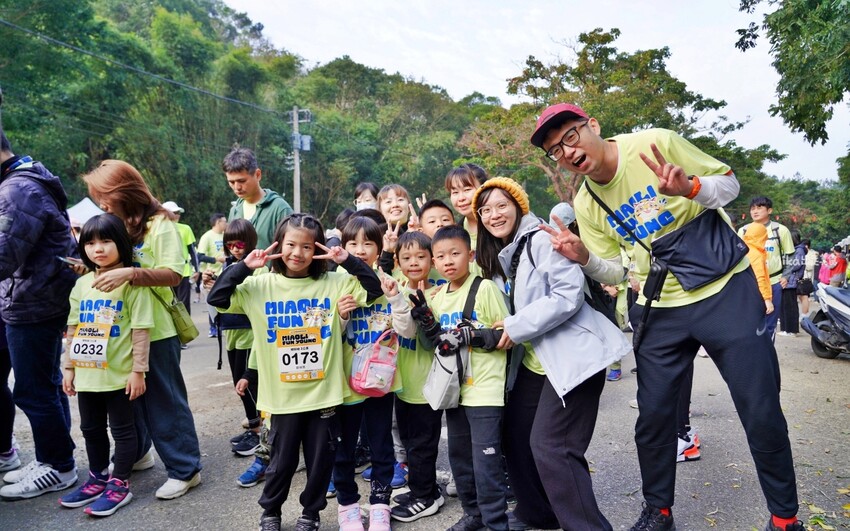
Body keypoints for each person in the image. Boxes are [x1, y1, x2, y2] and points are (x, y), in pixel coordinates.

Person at [531, 102, 802, 531]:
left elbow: (729, 186)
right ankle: (658, 512)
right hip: (659, 307)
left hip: (725, 291)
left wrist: (691, 188)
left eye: (570, 136)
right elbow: (616, 271)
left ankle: (785, 517)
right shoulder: (587, 201)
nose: (567, 151)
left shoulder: (654, 143)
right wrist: (584, 258)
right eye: (555, 150)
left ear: (593, 125)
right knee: (653, 419)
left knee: (760, 408)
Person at [207, 213, 382, 531]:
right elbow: (217, 298)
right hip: (281, 399)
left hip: (323, 396)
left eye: (307, 247)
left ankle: (311, 514)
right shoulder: (259, 286)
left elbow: (374, 289)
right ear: (278, 245)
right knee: (281, 462)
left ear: (317, 250)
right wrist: (245, 266)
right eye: (290, 245)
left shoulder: (335, 283)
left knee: (320, 462)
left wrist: (347, 261)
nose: (297, 253)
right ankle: (270, 512)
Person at [473, 177, 629, 530]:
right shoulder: (506, 253)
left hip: (575, 357)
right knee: (515, 434)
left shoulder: (542, 239)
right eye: (485, 210)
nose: (494, 214)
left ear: (519, 206)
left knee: (553, 447)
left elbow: (567, 294)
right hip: (538, 361)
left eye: (501, 205)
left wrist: (514, 326)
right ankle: (538, 513)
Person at [82, 160, 202, 500]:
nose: (101, 203)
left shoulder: (160, 225)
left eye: (104, 196)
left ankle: (185, 469)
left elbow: (174, 275)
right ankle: (137, 453)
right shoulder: (117, 224)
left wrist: (130, 273)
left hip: (158, 329)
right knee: (128, 399)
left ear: (123, 191)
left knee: (165, 401)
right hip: (120, 330)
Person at [0, 85, 79, 500]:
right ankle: (55, 458)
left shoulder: (17, 190)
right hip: (40, 296)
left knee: (33, 390)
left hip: (32, 302)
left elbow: (3, 255)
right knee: (45, 386)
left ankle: (58, 466)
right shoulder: (26, 180)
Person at [416, 224, 511, 531]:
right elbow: (435, 343)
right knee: (460, 459)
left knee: (486, 462)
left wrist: (473, 335)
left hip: (485, 389)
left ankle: (496, 522)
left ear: (470, 255)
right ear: (433, 261)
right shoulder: (437, 296)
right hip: (454, 390)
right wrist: (427, 322)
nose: (448, 261)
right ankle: (474, 514)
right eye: (441, 256)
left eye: (455, 253)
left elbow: (505, 335)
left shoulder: (485, 288)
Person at [58, 214, 152, 516]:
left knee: (123, 431)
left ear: (121, 243)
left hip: (120, 376)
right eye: (90, 243)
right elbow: (73, 328)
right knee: (90, 429)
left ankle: (119, 483)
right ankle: (97, 477)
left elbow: (141, 330)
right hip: (87, 374)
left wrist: (138, 371)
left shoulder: (132, 284)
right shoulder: (81, 285)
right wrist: (69, 368)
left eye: (106, 241)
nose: (97, 248)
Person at [333, 216, 400, 531]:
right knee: (343, 446)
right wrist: (341, 317)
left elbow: (399, 318)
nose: (360, 250)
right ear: (342, 246)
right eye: (353, 243)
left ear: (378, 248)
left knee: (381, 444)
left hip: (381, 380)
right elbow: (326, 334)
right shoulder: (335, 282)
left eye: (368, 243)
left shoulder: (387, 280)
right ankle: (347, 505)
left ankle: (380, 505)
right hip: (346, 382)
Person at [382, 231, 446, 523]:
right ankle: (426, 488)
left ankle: (425, 498)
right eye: (406, 257)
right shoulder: (394, 288)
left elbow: (415, 333)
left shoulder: (440, 293)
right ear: (398, 262)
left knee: (422, 444)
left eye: (421, 256)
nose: (414, 262)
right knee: (409, 441)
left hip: (427, 385)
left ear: (432, 260)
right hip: (403, 383)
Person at [739, 197, 794, 341]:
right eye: (752, 208)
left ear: (769, 210)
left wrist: (786, 276)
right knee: (748, 322)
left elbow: (790, 255)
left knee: (770, 322)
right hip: (750, 283)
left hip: (774, 281)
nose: (755, 211)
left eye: (759, 208)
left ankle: (768, 351)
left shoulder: (780, 230)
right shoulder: (743, 230)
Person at [223, 147, 294, 250]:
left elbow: (292, 249)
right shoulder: (235, 210)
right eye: (232, 182)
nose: (237, 187)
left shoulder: (280, 209)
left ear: (258, 175)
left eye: (242, 181)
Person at [162, 201, 197, 321]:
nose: (177, 215)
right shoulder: (157, 230)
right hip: (164, 271)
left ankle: (186, 326)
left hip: (183, 271)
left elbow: (192, 251)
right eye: (174, 212)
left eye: (178, 213)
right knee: (168, 301)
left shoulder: (185, 229)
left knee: (184, 303)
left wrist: (197, 270)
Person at [197, 213, 227, 337]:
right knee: (212, 301)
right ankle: (213, 327)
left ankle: (223, 325)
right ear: (218, 222)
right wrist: (216, 260)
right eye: (225, 221)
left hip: (224, 272)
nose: (226, 224)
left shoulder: (226, 236)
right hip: (211, 274)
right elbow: (200, 256)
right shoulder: (207, 236)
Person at [742, 222, 775, 316]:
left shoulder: (742, 249)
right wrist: (767, 299)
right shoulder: (756, 254)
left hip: (743, 294)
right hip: (755, 296)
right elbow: (759, 278)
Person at [778, 230, 805, 336]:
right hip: (787, 281)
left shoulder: (799, 251)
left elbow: (796, 265)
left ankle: (791, 330)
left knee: (790, 307)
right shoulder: (793, 250)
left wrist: (784, 268)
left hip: (791, 282)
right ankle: (785, 329)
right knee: (784, 306)